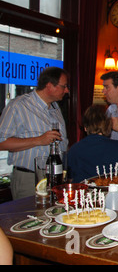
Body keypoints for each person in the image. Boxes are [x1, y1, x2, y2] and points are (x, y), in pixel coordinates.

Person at [0, 67, 69, 200]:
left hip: (56, 176)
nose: (67, 90)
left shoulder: (55, 108)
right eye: (64, 86)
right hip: (29, 178)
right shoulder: (18, 106)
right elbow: (1, 142)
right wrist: (38, 140)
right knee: (30, 218)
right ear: (49, 86)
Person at [67, 105, 118, 183]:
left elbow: (70, 177)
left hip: (83, 192)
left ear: (85, 127)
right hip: (109, 192)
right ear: (109, 126)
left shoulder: (74, 149)